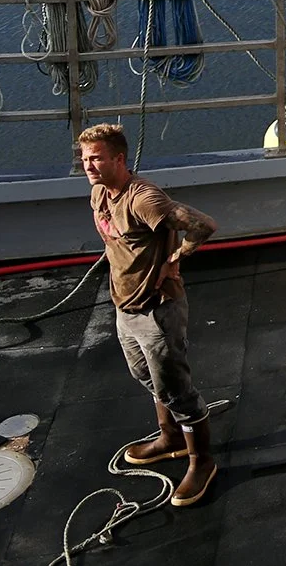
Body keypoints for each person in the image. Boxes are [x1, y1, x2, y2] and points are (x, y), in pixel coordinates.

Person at [77, 123, 220, 506]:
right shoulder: (99, 194)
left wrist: (174, 259)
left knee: (177, 390)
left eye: (97, 158)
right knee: (145, 377)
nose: (89, 165)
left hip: (158, 311)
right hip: (126, 307)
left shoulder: (144, 199)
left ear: (119, 159)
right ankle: (169, 437)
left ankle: (201, 461)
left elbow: (203, 226)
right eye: (85, 158)